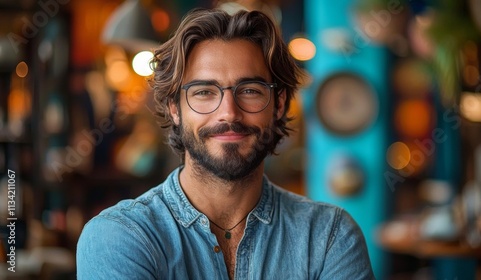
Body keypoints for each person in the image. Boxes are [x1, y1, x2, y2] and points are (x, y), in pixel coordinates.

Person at [77, 8, 375, 279]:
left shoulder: (328, 236)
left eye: (249, 90)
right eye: (204, 92)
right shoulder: (120, 236)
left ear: (279, 104)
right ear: (174, 108)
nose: (229, 112)